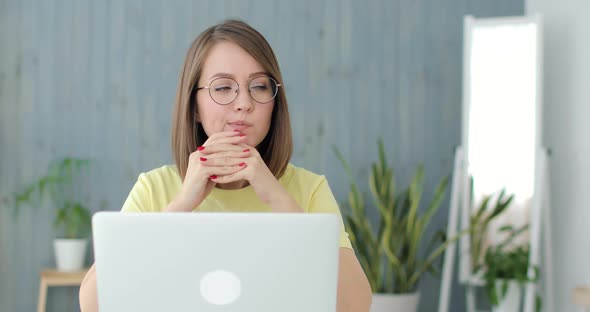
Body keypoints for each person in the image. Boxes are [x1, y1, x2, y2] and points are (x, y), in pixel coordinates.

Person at [79, 19, 372, 312]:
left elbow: (355, 305)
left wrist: (277, 197)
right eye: (222, 88)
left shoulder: (309, 189)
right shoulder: (154, 188)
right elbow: (93, 304)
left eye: (258, 86)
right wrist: (181, 205)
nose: (244, 102)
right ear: (194, 106)